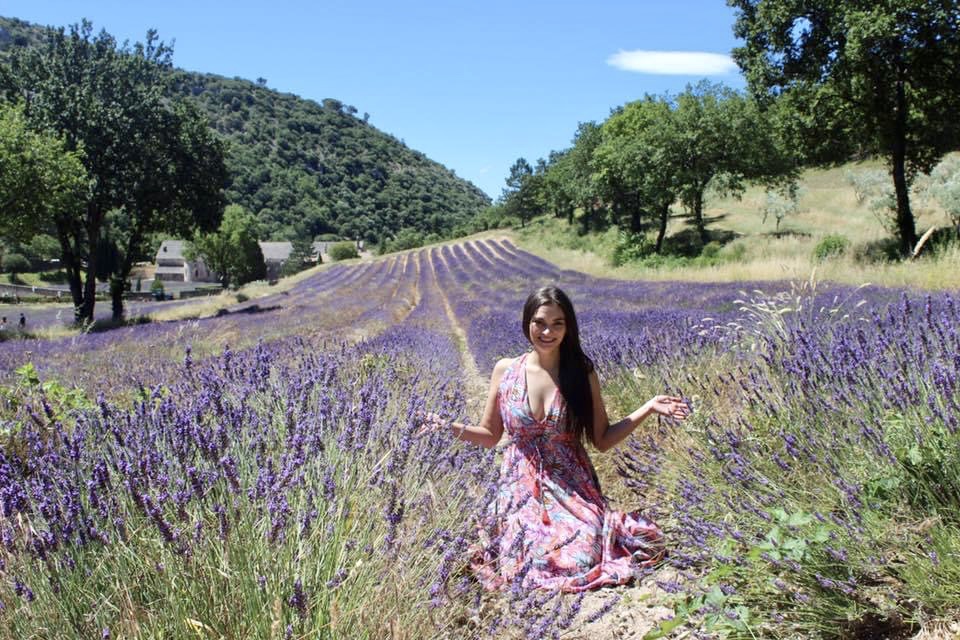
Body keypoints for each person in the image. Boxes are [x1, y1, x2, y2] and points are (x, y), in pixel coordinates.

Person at [422, 286, 690, 592]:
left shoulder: (580, 373)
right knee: (528, 560)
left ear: (568, 327)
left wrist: (647, 407)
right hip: (519, 488)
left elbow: (601, 440)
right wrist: (447, 426)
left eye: (557, 324)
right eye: (539, 322)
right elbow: (490, 435)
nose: (547, 331)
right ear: (527, 323)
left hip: (572, 487)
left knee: (581, 556)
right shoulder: (505, 371)